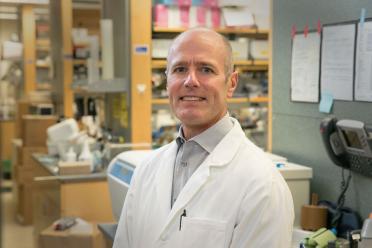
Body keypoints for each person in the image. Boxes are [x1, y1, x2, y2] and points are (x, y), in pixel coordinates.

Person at [113, 27, 294, 248]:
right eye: (179, 69)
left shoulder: (263, 184)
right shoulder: (146, 169)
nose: (191, 81)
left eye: (206, 69)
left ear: (232, 83)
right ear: (167, 80)